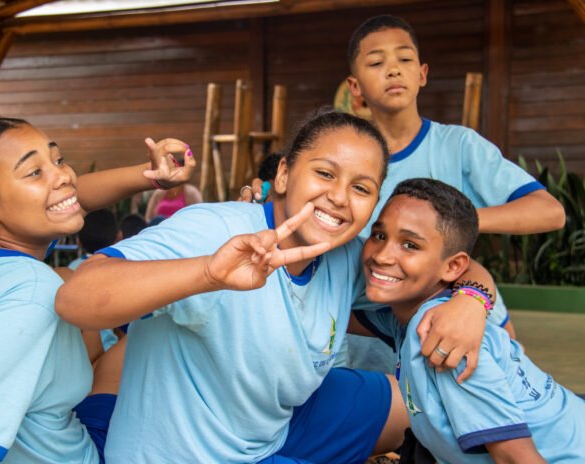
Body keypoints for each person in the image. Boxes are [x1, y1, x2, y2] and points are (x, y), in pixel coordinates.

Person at [56, 110, 495, 463]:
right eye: (325, 173)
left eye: (361, 188)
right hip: (189, 453)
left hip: (271, 428)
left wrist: (473, 301)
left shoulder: (347, 255)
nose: (340, 197)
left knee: (416, 402)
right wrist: (208, 273)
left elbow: (452, 266)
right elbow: (77, 296)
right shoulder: (215, 229)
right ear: (283, 175)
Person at [242, 15, 566, 371]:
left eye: (405, 59)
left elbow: (549, 212)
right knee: (384, 398)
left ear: (422, 74)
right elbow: (280, 212)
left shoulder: (458, 146)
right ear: (355, 87)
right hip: (362, 329)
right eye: (376, 62)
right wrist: (261, 200)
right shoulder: (346, 156)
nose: (393, 70)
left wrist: (449, 224)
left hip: (451, 314)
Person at [0, 118, 196, 463]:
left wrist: (152, 175)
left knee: (72, 285)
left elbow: (78, 197)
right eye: (34, 172)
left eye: (58, 160)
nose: (63, 176)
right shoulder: (31, 292)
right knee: (152, 330)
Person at [350, 178, 585, 463]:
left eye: (410, 245)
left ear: (453, 267)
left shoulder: (442, 339)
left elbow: (515, 457)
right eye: (378, 235)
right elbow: (337, 317)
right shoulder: (408, 316)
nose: (382, 256)